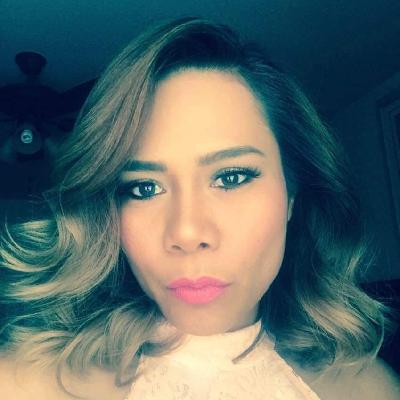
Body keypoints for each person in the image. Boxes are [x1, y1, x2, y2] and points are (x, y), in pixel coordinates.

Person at [0, 17, 399, 400]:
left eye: (231, 177)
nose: (187, 233)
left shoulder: (374, 390)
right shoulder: (17, 385)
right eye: (144, 188)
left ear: (292, 195)